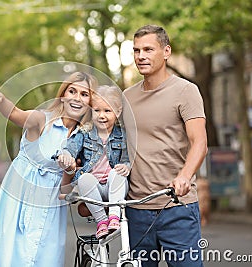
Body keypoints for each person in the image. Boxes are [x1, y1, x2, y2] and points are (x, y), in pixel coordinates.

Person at [0, 71, 98, 267]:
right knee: (14, 250)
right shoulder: (43, 120)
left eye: (84, 94)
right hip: (23, 193)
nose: (77, 98)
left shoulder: (84, 137)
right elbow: (16, 114)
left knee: (44, 255)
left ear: (91, 101)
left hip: (52, 203)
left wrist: (71, 170)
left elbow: (68, 187)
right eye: (72, 91)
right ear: (62, 96)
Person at [122, 25, 208, 266]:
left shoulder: (186, 91)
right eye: (136, 50)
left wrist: (184, 176)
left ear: (166, 51)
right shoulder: (126, 97)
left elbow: (199, 142)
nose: (141, 56)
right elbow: (110, 142)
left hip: (176, 207)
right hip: (136, 209)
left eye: (148, 49)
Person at [57, 85, 130, 239]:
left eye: (107, 111)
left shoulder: (122, 135)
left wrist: (127, 166)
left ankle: (114, 216)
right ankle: (102, 221)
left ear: (117, 112)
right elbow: (69, 147)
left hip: (114, 187)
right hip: (93, 189)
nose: (101, 115)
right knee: (84, 178)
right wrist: (65, 155)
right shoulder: (85, 133)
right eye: (97, 110)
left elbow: (127, 159)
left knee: (117, 172)